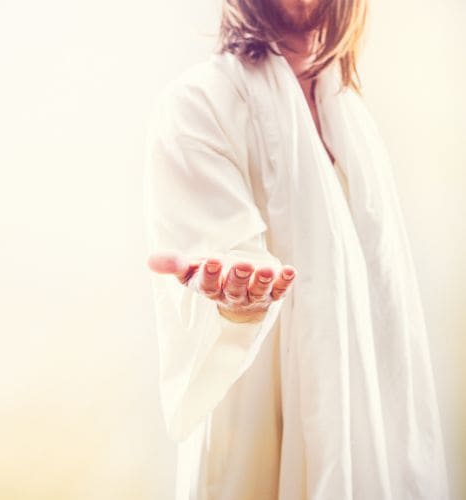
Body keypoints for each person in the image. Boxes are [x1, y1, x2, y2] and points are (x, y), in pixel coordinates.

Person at [143, 0, 450, 498]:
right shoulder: (199, 104)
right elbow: (217, 276)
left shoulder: (351, 117)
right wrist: (237, 301)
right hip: (254, 447)